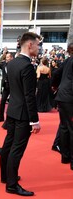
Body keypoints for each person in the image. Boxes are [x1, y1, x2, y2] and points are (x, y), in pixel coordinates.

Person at [0, 32, 41, 196]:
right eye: (37, 44)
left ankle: (6, 176)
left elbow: (10, 89)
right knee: (17, 149)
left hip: (13, 111)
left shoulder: (12, 63)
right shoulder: (27, 67)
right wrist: (34, 120)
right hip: (23, 114)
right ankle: (11, 185)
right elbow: (29, 96)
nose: (39, 48)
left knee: (8, 145)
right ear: (29, 44)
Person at [52, 42, 73, 170]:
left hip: (62, 96)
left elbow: (55, 73)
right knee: (70, 128)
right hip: (70, 97)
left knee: (64, 127)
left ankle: (65, 156)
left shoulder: (67, 61)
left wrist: (54, 86)